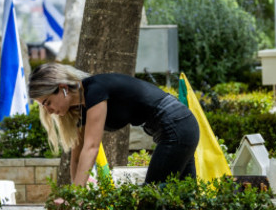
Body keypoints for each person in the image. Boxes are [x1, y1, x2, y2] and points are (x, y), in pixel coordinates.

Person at [28, 62, 199, 186]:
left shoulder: (94, 90)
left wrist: (74, 198)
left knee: (151, 200)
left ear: (63, 88)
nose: (49, 111)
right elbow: (77, 157)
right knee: (182, 199)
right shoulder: (82, 108)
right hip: (177, 126)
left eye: (47, 102)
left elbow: (92, 147)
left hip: (176, 125)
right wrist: (75, 192)